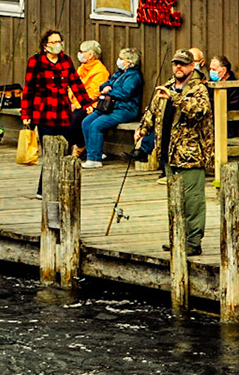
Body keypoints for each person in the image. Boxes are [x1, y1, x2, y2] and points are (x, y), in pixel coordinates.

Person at [136, 50, 214, 256]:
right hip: (169, 154)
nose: (178, 67)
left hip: (191, 155)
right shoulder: (167, 86)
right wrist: (142, 129)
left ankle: (193, 242)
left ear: (192, 66)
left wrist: (175, 97)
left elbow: (199, 110)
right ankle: (177, 238)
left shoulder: (199, 88)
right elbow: (153, 111)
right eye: (175, 63)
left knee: (193, 201)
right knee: (175, 200)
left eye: (183, 64)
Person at [21, 28, 85, 155]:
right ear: (45, 45)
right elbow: (29, 89)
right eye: (53, 42)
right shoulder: (36, 61)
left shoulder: (66, 60)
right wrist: (26, 114)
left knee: (65, 145)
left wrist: (86, 103)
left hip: (63, 109)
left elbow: (76, 83)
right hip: (43, 110)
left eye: (59, 42)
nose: (57, 45)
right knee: (49, 147)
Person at [80, 48, 144, 167]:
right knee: (86, 122)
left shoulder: (134, 76)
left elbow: (125, 93)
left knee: (96, 125)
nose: (119, 61)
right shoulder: (119, 73)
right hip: (109, 107)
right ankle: (95, 152)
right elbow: (104, 85)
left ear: (129, 62)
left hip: (125, 109)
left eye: (121, 59)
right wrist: (106, 88)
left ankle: (94, 159)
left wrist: (110, 91)